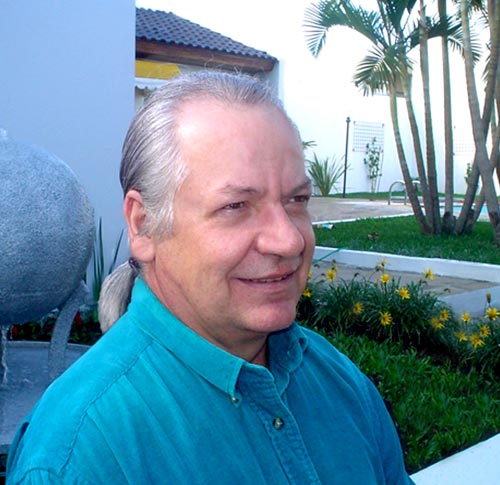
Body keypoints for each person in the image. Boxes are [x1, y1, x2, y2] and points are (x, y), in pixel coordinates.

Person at [7, 71, 414, 484]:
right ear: (144, 225)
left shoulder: (340, 381)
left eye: (297, 199)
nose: (289, 240)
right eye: (236, 206)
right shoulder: (79, 458)